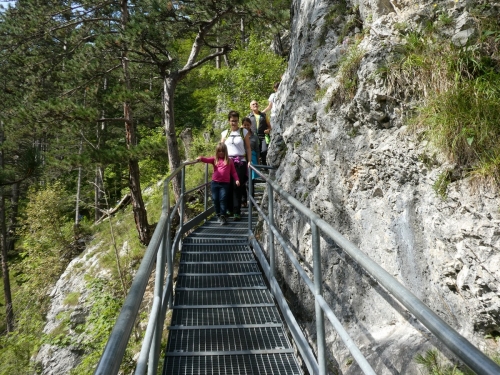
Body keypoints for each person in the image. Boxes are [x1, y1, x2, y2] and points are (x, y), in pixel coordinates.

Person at [196, 143, 240, 225]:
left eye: (223, 151)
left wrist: (237, 179)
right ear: (217, 152)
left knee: (223, 199)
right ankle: (218, 215)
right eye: (219, 151)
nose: (221, 153)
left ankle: (223, 216)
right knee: (215, 199)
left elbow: (233, 172)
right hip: (215, 183)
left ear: (225, 151)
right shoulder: (215, 159)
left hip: (225, 184)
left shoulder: (229, 160)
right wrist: (200, 158)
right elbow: (206, 160)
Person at [221, 110, 252, 221]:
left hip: (240, 162)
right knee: (227, 186)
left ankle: (237, 211)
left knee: (237, 186)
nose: (234, 123)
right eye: (232, 121)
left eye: (236, 120)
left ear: (238, 121)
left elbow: (248, 147)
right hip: (227, 163)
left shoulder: (243, 132)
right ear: (229, 121)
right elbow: (221, 149)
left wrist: (249, 160)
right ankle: (229, 209)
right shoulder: (225, 133)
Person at [241, 117, 259, 206]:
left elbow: (257, 149)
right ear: (242, 125)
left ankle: (251, 200)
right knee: (244, 179)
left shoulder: (254, 137)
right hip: (242, 158)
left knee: (251, 180)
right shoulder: (240, 135)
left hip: (253, 158)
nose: (246, 126)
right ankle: (244, 199)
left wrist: (258, 161)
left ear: (250, 125)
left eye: (248, 125)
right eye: (245, 125)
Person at [248, 100, 271, 166]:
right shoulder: (249, 117)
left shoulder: (263, 115)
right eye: (253, 104)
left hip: (263, 136)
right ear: (251, 107)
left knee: (264, 151)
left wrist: (268, 130)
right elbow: (244, 127)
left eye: (256, 104)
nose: (255, 105)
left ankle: (264, 166)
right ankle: (258, 166)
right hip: (253, 137)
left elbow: (269, 127)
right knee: (256, 153)